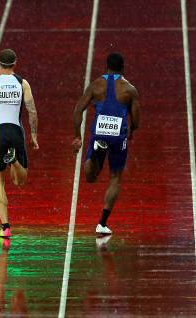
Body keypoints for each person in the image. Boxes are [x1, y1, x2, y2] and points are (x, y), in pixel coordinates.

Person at [72, 53, 140, 236]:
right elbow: (137, 119)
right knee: (115, 177)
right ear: (123, 68)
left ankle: (96, 154)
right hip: (118, 135)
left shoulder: (95, 85)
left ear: (106, 67)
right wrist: (131, 131)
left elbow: (78, 110)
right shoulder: (130, 90)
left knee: (90, 177)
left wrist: (77, 136)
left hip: (99, 132)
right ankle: (102, 223)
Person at [0, 49, 39, 238]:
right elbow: (32, 112)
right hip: (15, 131)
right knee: (19, 181)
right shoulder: (22, 83)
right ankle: (13, 161)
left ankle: (5, 227)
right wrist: (34, 136)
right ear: (15, 63)